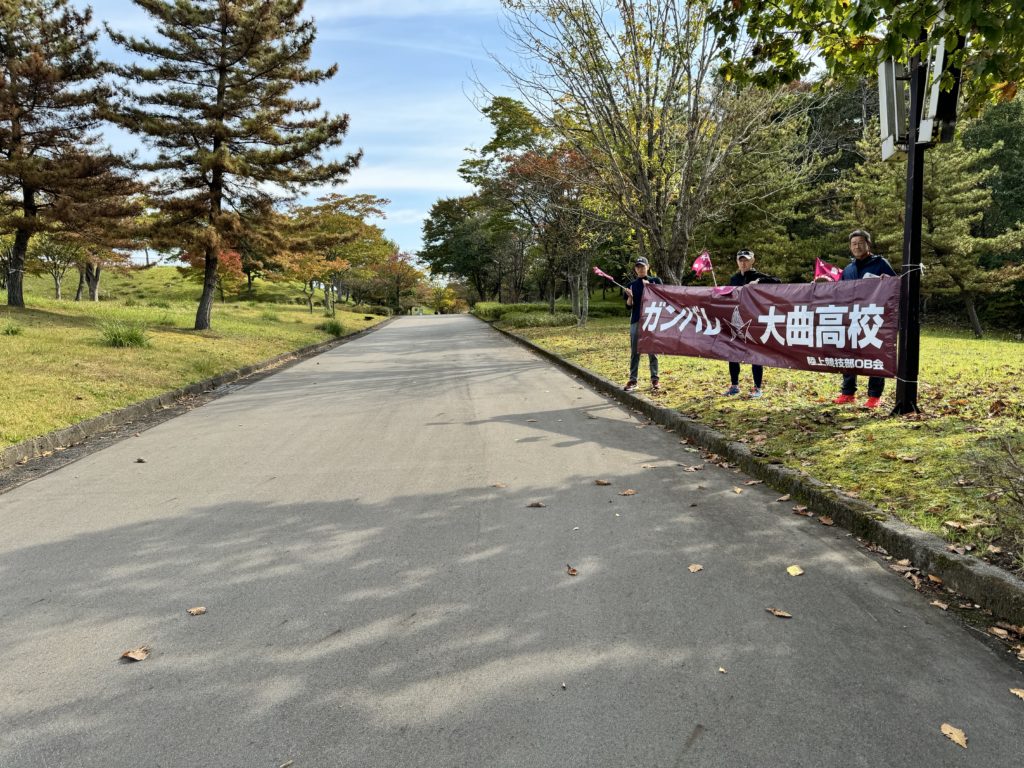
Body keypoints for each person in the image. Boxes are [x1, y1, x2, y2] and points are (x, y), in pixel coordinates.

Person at [833, 229, 897, 408]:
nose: (857, 246)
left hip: (874, 318)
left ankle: (874, 396)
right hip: (852, 318)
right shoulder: (848, 269)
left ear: (868, 244)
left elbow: (896, 285)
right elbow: (839, 293)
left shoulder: (880, 263)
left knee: (874, 356)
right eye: (853, 244)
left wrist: (888, 280)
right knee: (849, 354)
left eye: (860, 243)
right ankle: (848, 393)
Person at [723, 249, 780, 399]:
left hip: (754, 321)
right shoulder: (734, 278)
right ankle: (734, 386)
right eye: (741, 260)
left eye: (746, 260)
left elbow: (777, 281)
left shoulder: (758, 276)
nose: (743, 263)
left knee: (755, 354)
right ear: (737, 262)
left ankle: (757, 388)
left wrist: (759, 282)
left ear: (752, 261)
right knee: (732, 352)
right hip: (736, 320)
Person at [623, 256, 662, 392]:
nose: (640, 269)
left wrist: (650, 288)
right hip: (636, 320)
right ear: (635, 269)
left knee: (652, 350)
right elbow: (629, 306)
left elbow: (661, 299)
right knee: (635, 351)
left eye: (643, 266)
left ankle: (655, 379)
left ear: (648, 267)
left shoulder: (655, 281)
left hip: (651, 321)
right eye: (638, 267)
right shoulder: (631, 285)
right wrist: (630, 297)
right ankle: (633, 380)